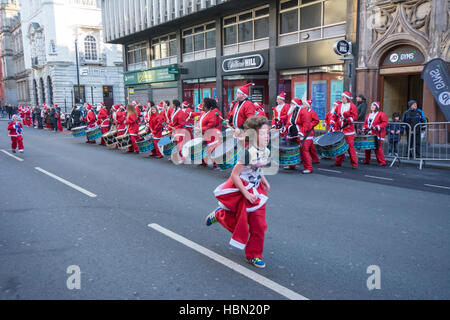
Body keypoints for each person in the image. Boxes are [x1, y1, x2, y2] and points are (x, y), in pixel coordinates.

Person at [205, 116, 271, 269]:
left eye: (267, 133)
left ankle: (254, 255)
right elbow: (235, 175)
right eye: (262, 134)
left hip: (256, 190)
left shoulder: (266, 150)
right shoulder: (247, 153)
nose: (266, 136)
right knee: (239, 224)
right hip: (242, 189)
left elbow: (258, 170)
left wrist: (264, 181)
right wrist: (246, 194)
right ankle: (220, 215)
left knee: (259, 226)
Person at [282, 98, 313, 173]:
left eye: (292, 104)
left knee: (304, 151)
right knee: (292, 150)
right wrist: (284, 129)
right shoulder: (292, 113)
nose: (290, 105)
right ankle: (292, 165)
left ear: (296, 105)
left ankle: (308, 168)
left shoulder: (304, 112)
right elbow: (289, 123)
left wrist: (301, 133)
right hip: (293, 134)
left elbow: (306, 124)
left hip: (303, 135)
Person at [330, 92, 359, 169]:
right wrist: (332, 122)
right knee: (340, 146)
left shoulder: (352, 106)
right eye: (341, 97)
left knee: (350, 147)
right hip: (340, 129)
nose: (342, 98)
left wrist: (348, 119)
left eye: (343, 97)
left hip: (349, 130)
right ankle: (338, 162)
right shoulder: (339, 106)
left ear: (347, 98)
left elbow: (355, 117)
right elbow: (334, 116)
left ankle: (354, 163)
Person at [196, 98, 222, 167]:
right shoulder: (204, 112)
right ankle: (204, 161)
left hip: (212, 134)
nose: (202, 106)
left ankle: (216, 163)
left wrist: (201, 129)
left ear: (208, 106)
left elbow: (211, 124)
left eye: (204, 104)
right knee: (203, 147)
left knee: (212, 148)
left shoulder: (213, 112)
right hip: (205, 133)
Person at [362, 102, 388, 166]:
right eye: (371, 105)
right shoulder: (369, 115)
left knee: (377, 148)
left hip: (377, 134)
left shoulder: (381, 114)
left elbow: (385, 123)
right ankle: (367, 160)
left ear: (377, 107)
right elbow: (365, 123)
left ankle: (382, 162)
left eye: (374, 105)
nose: (372, 106)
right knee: (367, 147)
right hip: (369, 133)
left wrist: (377, 127)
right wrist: (364, 128)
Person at [303, 99, 321, 165]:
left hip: (310, 132)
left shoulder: (312, 112)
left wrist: (310, 125)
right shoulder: (303, 111)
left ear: (307, 106)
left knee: (308, 148)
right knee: (311, 147)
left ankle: (313, 160)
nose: (303, 105)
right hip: (304, 131)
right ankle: (315, 159)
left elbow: (316, 121)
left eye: (304, 104)